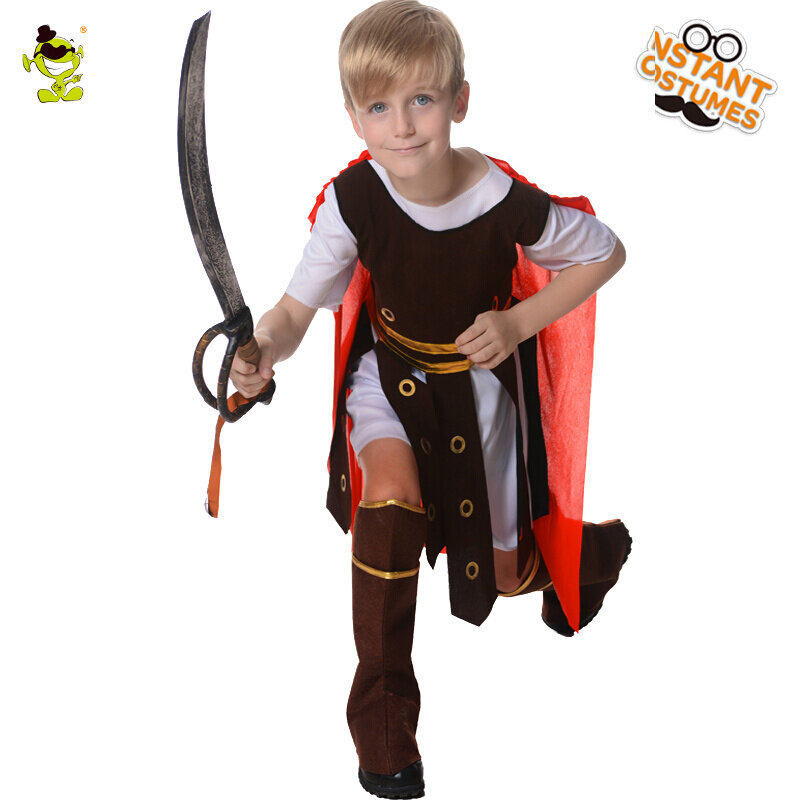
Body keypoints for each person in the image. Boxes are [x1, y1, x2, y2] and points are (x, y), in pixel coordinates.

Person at [228, 2, 631, 796]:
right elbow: (293, 312)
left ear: (459, 100)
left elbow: (605, 251)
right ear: (354, 117)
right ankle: (383, 727)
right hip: (390, 381)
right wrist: (261, 351)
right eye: (379, 106)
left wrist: (517, 323)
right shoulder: (355, 199)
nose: (403, 126)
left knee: (506, 575)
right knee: (389, 504)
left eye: (422, 99)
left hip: (477, 398)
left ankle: (588, 556)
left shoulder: (502, 200)